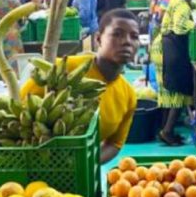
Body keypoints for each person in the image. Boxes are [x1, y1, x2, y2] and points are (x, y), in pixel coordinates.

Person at [21, 9, 140, 163]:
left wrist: (85, 163)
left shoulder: (128, 95)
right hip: (34, 162)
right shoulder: (64, 69)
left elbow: (115, 144)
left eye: (134, 36)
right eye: (117, 34)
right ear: (98, 39)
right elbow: (20, 104)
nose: (127, 41)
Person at [150, 0, 196, 146]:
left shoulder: (178, 0)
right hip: (170, 49)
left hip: (163, 46)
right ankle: (167, 131)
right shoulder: (182, 6)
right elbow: (179, 28)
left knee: (168, 91)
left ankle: (164, 130)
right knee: (178, 91)